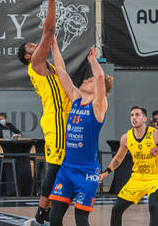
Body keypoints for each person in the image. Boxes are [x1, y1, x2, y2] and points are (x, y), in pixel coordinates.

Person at [17, 0, 72, 224]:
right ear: (29, 56)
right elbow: (48, 33)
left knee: (60, 165)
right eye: (32, 45)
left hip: (60, 116)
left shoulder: (46, 64)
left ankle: (48, 210)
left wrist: (53, 40)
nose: (35, 44)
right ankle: (41, 213)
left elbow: (52, 43)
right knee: (55, 165)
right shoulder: (36, 64)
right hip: (57, 118)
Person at [49, 43, 113, 226]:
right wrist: (53, 41)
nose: (85, 80)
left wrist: (92, 59)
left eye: (89, 81)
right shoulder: (76, 100)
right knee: (54, 217)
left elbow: (100, 76)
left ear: (99, 89)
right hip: (67, 168)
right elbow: (61, 70)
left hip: (86, 172)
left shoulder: (99, 106)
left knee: (81, 218)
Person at [100, 106, 158, 226]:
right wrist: (105, 172)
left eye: (137, 115)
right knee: (116, 209)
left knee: (154, 207)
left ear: (144, 119)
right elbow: (118, 158)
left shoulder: (154, 134)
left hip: (154, 178)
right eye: (132, 115)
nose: (134, 118)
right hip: (136, 178)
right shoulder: (126, 137)